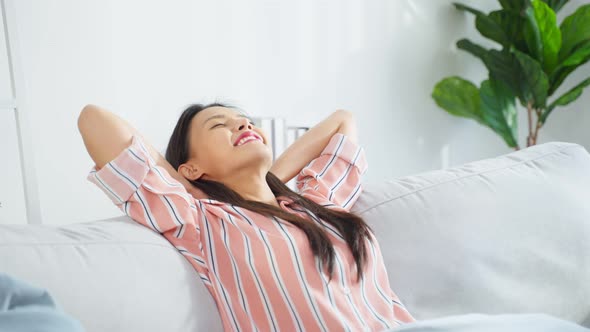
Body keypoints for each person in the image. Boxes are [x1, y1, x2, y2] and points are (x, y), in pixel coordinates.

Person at [78, 102, 590, 332]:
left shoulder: (311, 205)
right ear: (190, 165)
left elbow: (343, 120)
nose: (242, 123)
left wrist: (269, 183)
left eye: (245, 119)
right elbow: (96, 121)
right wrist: (182, 180)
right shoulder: (199, 219)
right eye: (220, 125)